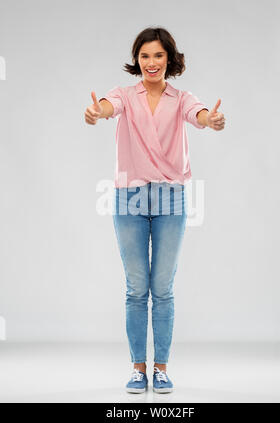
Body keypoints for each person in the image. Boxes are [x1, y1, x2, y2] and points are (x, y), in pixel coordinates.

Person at [84, 26, 225, 394]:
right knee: (136, 288)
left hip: (170, 197)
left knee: (162, 288)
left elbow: (199, 114)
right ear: (137, 60)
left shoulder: (181, 98)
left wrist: (211, 120)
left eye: (158, 56)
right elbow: (107, 107)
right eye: (145, 56)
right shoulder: (125, 96)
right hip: (129, 196)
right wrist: (97, 113)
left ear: (170, 59)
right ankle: (137, 368)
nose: (151, 63)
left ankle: (160, 368)